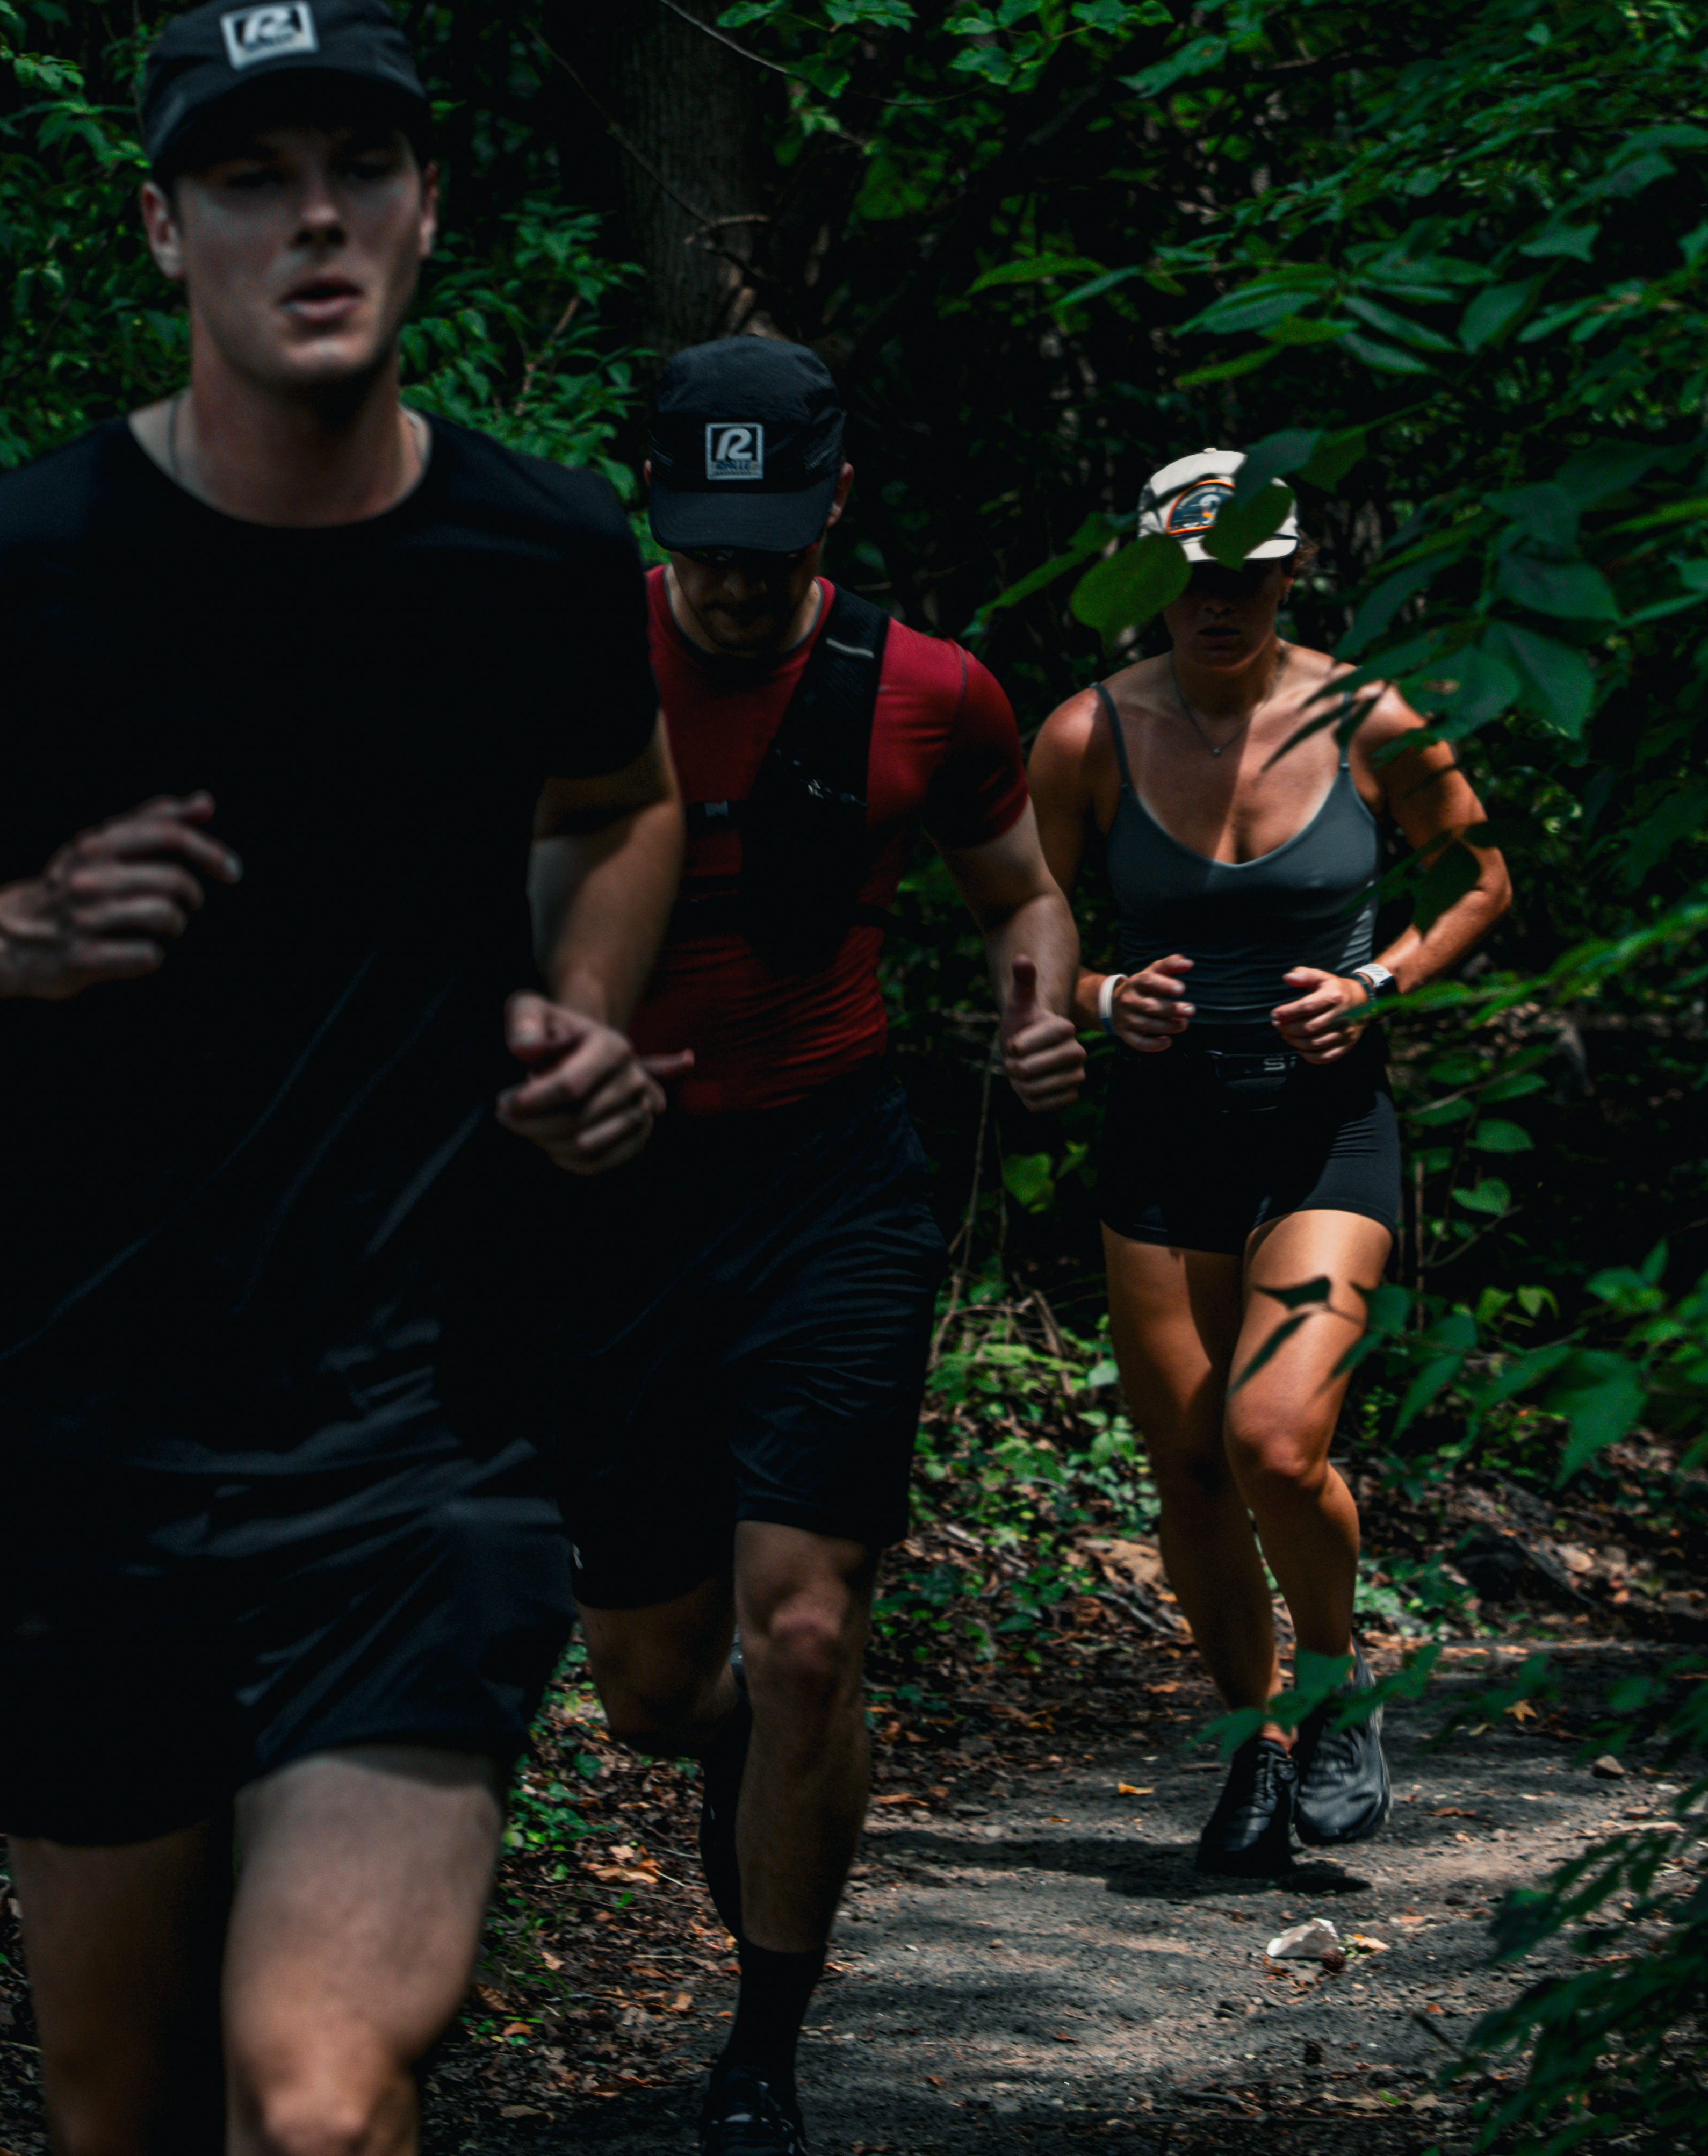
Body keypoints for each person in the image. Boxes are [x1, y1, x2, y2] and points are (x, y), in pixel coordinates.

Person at [0, 0, 686, 2156]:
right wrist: (8, 933)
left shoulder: (538, 548)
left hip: (420, 1446)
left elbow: (618, 799)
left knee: (321, 2098)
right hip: (90, 1452)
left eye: (360, 166)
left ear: (431, 205)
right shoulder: (9, 570)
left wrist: (588, 1004)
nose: (315, 220)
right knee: (124, 2106)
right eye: (251, 178)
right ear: (164, 231)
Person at [549, 335, 1083, 2156]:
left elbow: (1021, 893)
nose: (734, 576)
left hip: (830, 1186)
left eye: (768, 542)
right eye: (702, 539)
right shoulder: (562, 656)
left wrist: (1039, 1012)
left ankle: (762, 2051)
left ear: (830, 506)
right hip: (610, 1204)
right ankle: (731, 1754)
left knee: (804, 1631)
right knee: (644, 1689)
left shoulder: (933, 692)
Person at [1028, 445, 1511, 1884]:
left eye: (1242, 575)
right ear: (1147, 578)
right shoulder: (1083, 738)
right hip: (1164, 1136)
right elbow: (1024, 941)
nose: (1214, 603)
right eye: (1187, 577)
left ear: (1290, 573)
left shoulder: (1370, 716)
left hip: (1323, 1125)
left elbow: (1482, 879)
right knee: (1185, 1469)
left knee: (1273, 1440)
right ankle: (1254, 1745)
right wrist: (1109, 999)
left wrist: (1383, 985)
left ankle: (1337, 1681)